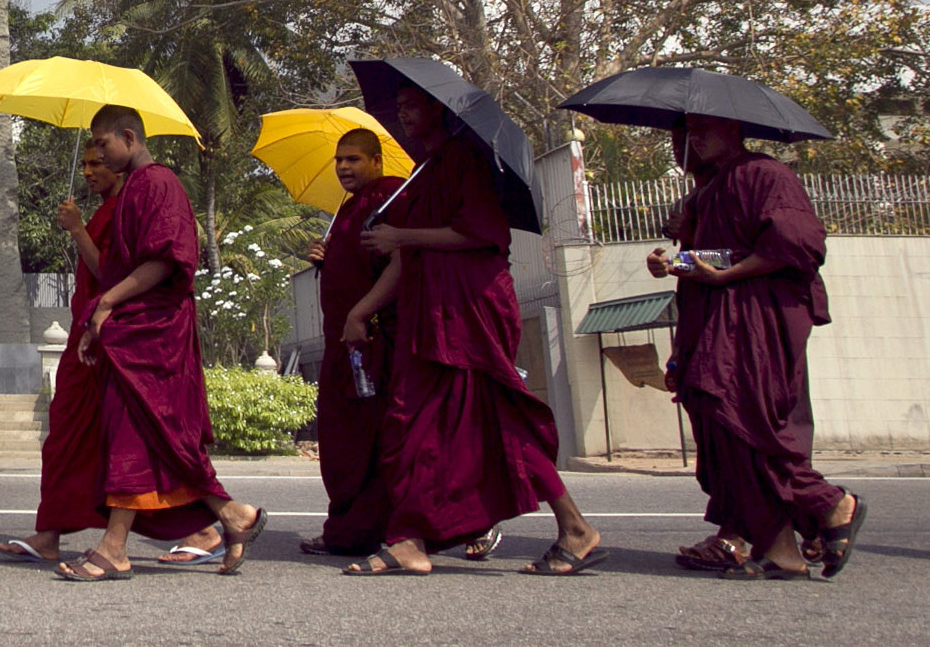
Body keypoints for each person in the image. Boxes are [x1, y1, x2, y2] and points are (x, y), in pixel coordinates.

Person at [341, 84, 601, 576]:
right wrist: (363, 309)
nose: (404, 113)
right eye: (399, 105)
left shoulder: (466, 159)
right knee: (412, 423)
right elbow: (407, 255)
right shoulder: (425, 171)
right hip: (429, 308)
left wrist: (403, 235)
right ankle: (411, 539)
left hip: (469, 305)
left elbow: (480, 233)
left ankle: (575, 526)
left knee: (500, 415)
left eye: (412, 105)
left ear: (441, 110)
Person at [646, 113, 866, 580]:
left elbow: (798, 246)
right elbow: (716, 256)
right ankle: (776, 547)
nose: (687, 143)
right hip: (711, 322)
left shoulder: (764, 175)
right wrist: (677, 254)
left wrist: (725, 274)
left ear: (734, 129)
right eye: (680, 136)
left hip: (754, 321)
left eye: (700, 131)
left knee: (746, 424)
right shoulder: (705, 191)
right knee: (721, 429)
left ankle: (829, 504)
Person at [56, 105, 266, 581]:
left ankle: (114, 548)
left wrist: (106, 303)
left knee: (141, 429)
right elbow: (113, 267)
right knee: (153, 435)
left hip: (156, 334)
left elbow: (167, 260)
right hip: (131, 332)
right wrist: (97, 320)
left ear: (128, 138)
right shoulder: (131, 188)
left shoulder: (159, 183)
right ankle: (233, 517)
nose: (101, 157)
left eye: (104, 145)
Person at [0, 140, 223, 566]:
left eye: (98, 162)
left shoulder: (134, 203)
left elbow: (113, 274)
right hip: (91, 334)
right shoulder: (108, 208)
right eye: (84, 163)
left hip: (118, 337)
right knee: (70, 434)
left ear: (121, 162)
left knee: (141, 437)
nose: (88, 171)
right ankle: (51, 531)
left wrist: (78, 231)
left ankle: (204, 524)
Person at [298, 128, 408, 558]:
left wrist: (362, 313)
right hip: (342, 342)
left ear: (377, 162)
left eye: (354, 159)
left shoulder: (390, 197)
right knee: (343, 438)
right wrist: (325, 255)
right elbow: (353, 261)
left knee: (374, 438)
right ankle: (347, 528)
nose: (344, 167)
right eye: (340, 160)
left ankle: (378, 529)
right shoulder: (347, 207)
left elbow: (401, 262)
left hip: (375, 338)